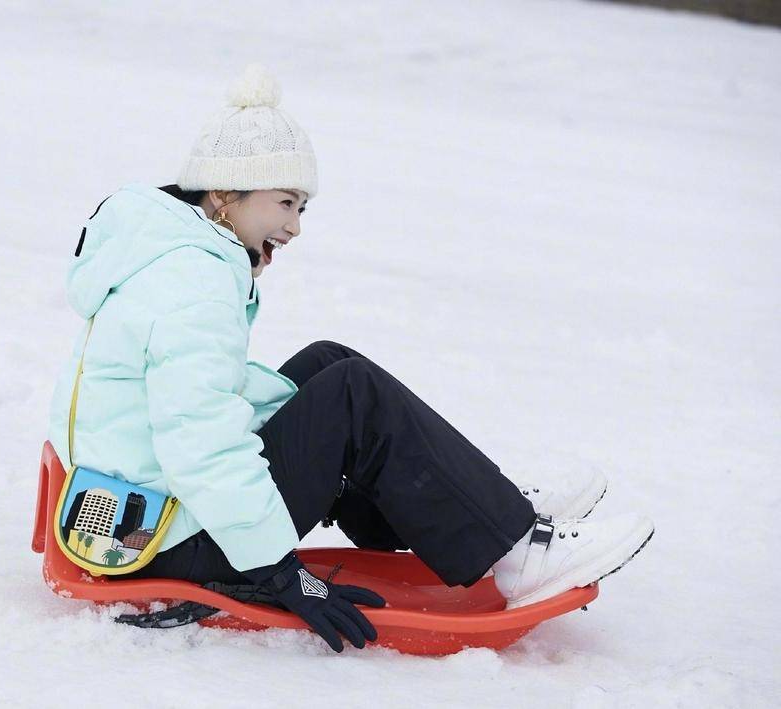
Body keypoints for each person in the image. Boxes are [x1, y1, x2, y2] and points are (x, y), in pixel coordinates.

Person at [46, 64, 654, 653]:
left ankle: (485, 508)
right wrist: (279, 573)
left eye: (301, 208)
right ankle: (514, 549)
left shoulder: (168, 255)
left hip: (143, 509)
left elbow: (193, 405)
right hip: (158, 539)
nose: (296, 226)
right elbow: (197, 439)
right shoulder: (192, 284)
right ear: (227, 194)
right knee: (350, 394)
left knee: (324, 364)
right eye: (285, 203)